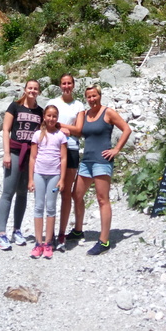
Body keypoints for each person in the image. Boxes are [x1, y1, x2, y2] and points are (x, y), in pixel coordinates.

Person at [67, 85, 131, 255]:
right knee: (76, 194)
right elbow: (80, 132)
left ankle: (104, 240)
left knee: (102, 199)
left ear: (99, 95)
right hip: (87, 160)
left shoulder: (108, 112)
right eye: (89, 96)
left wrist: (116, 149)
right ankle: (78, 229)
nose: (92, 99)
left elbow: (126, 129)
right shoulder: (86, 115)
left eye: (94, 96)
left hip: (102, 161)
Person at [0, 80, 43, 251]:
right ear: (25, 90)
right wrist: (6, 153)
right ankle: (2, 233)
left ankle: (17, 230)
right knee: (8, 192)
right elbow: (6, 130)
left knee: (22, 193)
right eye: (30, 88)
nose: (32, 91)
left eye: (35, 89)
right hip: (15, 151)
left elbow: (43, 133)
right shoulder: (14, 107)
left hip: (30, 155)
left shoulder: (40, 111)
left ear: (38, 92)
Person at [50, 74, 85, 250]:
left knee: (65, 192)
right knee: (51, 191)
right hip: (53, 149)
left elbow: (79, 130)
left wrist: (62, 126)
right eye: (63, 83)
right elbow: (47, 122)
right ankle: (49, 234)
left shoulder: (79, 105)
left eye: (69, 83)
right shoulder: (53, 102)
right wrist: (61, 127)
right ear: (60, 85)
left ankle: (62, 233)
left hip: (71, 149)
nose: (66, 86)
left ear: (73, 85)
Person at [28, 105, 67, 259]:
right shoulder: (37, 134)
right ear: (44, 117)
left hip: (54, 176)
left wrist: (62, 179)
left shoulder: (60, 136)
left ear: (57, 118)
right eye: (49, 116)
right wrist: (30, 178)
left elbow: (63, 158)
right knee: (38, 207)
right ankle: (38, 243)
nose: (51, 119)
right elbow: (32, 157)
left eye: (54, 116)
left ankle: (48, 243)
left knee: (51, 207)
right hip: (39, 174)